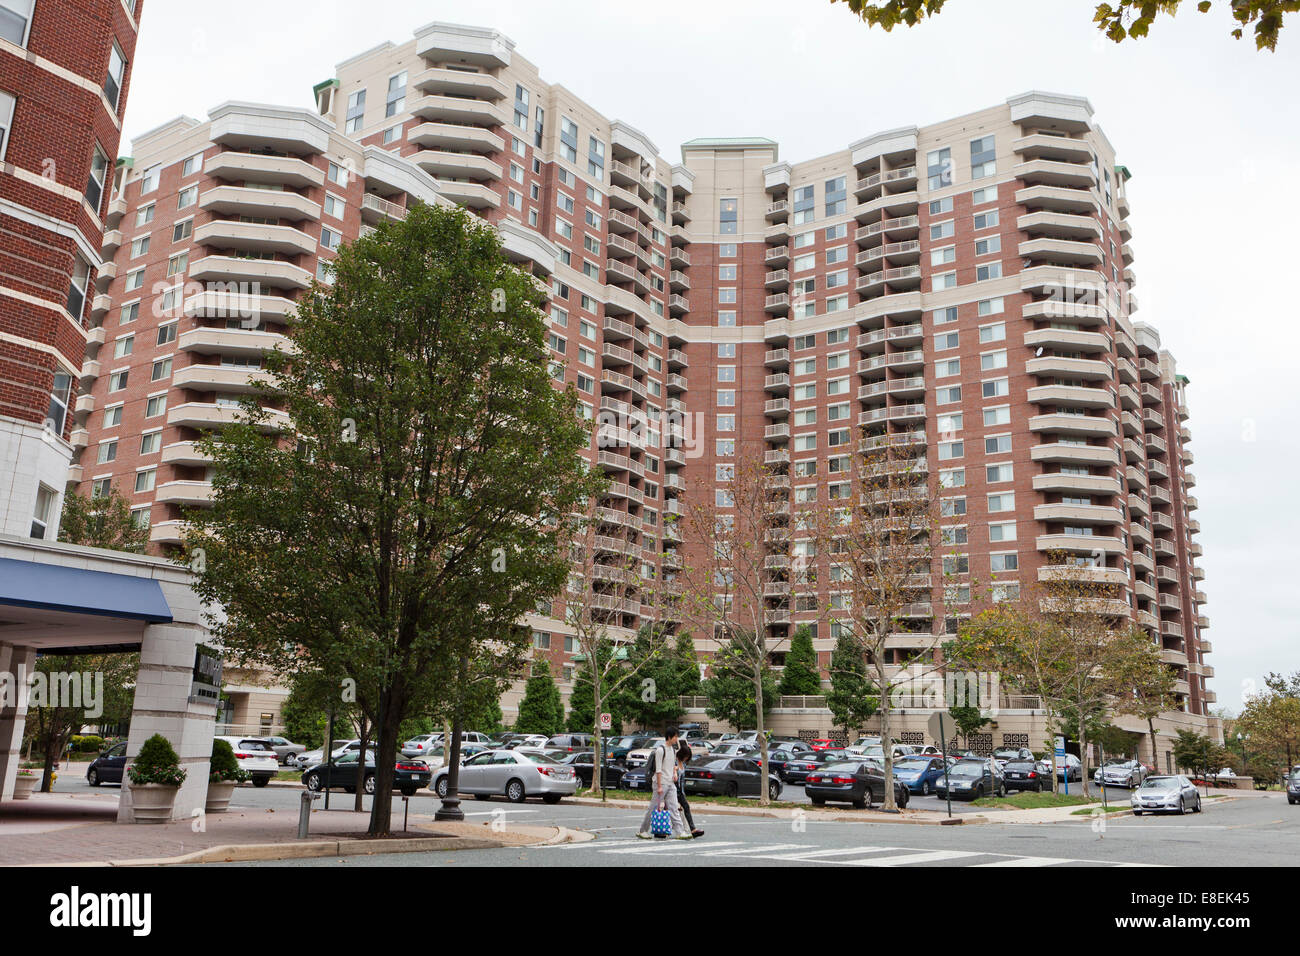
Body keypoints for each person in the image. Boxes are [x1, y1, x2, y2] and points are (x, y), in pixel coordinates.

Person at [636, 727, 690, 840]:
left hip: (670, 783)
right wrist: (659, 786)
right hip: (660, 783)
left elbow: (670, 766)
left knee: (674, 807)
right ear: (669, 737)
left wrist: (674, 774)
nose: (677, 739)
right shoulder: (660, 750)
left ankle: (680, 832)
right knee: (653, 807)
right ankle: (643, 830)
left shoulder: (673, 750)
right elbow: (659, 769)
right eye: (675, 736)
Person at [676, 740, 704, 838]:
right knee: (672, 810)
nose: (686, 759)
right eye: (686, 757)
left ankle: (692, 829)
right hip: (672, 789)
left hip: (679, 791)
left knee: (686, 807)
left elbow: (682, 781)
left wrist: (683, 794)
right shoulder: (674, 761)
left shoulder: (683, 764)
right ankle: (668, 829)